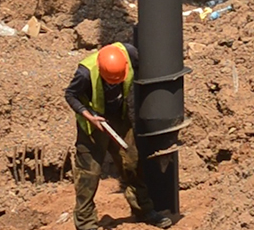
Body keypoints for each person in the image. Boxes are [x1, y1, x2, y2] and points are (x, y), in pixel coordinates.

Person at [64, 42, 173, 230]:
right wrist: (90, 117)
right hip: (92, 124)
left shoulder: (129, 54)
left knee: (131, 163)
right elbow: (70, 95)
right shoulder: (85, 73)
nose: (114, 84)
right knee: (89, 173)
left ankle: (144, 210)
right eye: (110, 82)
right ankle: (85, 223)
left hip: (118, 118)